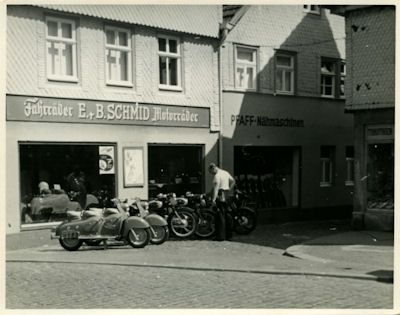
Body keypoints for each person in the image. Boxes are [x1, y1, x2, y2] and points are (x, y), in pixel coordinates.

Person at [208, 163, 236, 241]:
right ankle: (229, 235)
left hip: (220, 195)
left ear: (213, 169)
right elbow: (233, 181)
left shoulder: (217, 176)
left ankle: (220, 236)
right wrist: (229, 189)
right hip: (226, 195)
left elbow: (216, 189)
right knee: (228, 216)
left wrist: (213, 200)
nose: (211, 174)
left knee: (220, 216)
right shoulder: (225, 172)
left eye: (211, 172)